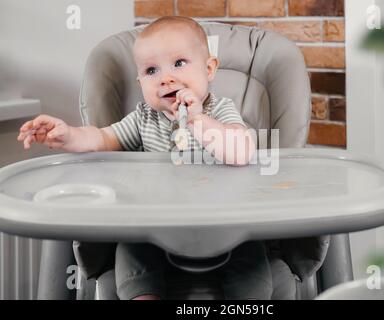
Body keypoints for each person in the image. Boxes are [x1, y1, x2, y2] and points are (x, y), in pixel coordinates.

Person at [17, 16, 273, 300]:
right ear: (140, 82)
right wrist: (69, 135)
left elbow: (241, 152)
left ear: (209, 69)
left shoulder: (220, 111)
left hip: (225, 229)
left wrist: (199, 120)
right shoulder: (143, 118)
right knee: (131, 248)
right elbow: (102, 138)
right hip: (156, 231)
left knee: (252, 255)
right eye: (151, 70)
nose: (166, 78)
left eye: (179, 63)